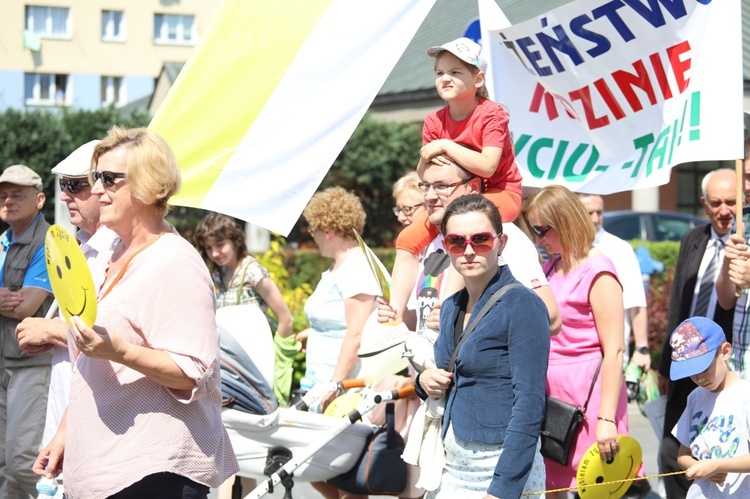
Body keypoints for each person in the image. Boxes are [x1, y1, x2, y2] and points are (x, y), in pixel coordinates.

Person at [32, 127, 238, 497]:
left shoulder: (174, 261)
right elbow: (91, 369)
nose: (96, 190)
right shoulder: (110, 253)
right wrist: (66, 433)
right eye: (96, 179)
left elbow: (192, 373)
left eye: (108, 179)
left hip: (154, 472)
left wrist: (120, 351)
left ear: (147, 186)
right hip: (108, 465)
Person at [416, 194, 549, 498]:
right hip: (449, 466)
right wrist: (423, 381)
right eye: (456, 242)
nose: (469, 251)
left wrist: (503, 488)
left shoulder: (523, 304)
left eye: (481, 240)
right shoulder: (450, 306)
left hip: (502, 470)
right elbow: (447, 377)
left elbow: (529, 404)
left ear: (501, 243)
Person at [390, 37, 523, 332]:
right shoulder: (434, 120)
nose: (445, 78)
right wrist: (436, 151)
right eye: (440, 73)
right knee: (407, 239)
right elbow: (425, 171)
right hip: (457, 194)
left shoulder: (492, 114)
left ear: (478, 79)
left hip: (500, 193)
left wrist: (445, 146)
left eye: (455, 72)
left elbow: (488, 166)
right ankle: (394, 317)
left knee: (463, 227)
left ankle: (446, 315)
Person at [379, 156, 560, 338]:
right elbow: (429, 324)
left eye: (442, 186)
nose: (430, 196)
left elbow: (550, 317)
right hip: (428, 365)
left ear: (472, 188)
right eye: (426, 186)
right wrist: (400, 316)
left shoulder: (496, 235)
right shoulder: (428, 240)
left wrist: (464, 321)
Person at [523, 185, 628, 495]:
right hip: (553, 395)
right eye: (533, 229)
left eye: (542, 229)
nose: (538, 238)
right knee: (551, 485)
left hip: (589, 396)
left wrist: (606, 418)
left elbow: (615, 350)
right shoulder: (551, 266)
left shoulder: (599, 270)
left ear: (565, 221)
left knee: (593, 487)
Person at [16, 140, 118, 451]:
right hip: (66, 403)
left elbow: (117, 336)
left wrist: (49, 330)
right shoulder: (75, 244)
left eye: (74, 185)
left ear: (103, 187)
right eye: (63, 185)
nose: (64, 195)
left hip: (101, 418)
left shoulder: (118, 249)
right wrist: (51, 337)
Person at [297, 186, 382, 499]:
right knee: (323, 469)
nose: (313, 237)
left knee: (340, 473)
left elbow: (356, 333)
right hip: (324, 380)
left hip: (342, 385)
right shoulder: (340, 266)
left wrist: (335, 384)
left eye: (313, 230)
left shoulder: (357, 266)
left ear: (327, 230)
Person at [661, 168, 736, 498]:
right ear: (704, 204)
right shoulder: (693, 239)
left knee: (719, 451)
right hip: (685, 365)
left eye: (732, 202)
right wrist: (666, 364)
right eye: (716, 202)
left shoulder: (742, 248)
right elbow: (679, 299)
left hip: (721, 364)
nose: (724, 211)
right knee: (673, 452)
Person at [0, 164, 54, 497]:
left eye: (17, 195)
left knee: (22, 461)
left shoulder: (50, 242)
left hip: (30, 364)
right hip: (4, 362)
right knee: (4, 460)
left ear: (39, 199)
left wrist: (11, 302)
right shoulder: (3, 241)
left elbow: (25, 307)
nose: (8, 201)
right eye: (3, 195)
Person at [670, 317, 750, 497]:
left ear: (725, 351)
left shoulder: (745, 396)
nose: (699, 379)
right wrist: (696, 467)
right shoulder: (695, 398)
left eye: (704, 368)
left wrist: (717, 465)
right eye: (692, 373)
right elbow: (683, 456)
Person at [578, 193, 650, 371]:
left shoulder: (619, 249)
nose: (595, 219)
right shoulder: (563, 247)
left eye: (599, 212)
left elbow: (636, 303)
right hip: (573, 356)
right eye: (589, 213)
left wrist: (641, 348)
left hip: (610, 357)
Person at [193, 212, 293, 337]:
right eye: (208, 248)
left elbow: (286, 319)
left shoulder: (252, 272)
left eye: (220, 245)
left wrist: (279, 353)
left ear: (235, 240)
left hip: (255, 351)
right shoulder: (218, 274)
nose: (215, 253)